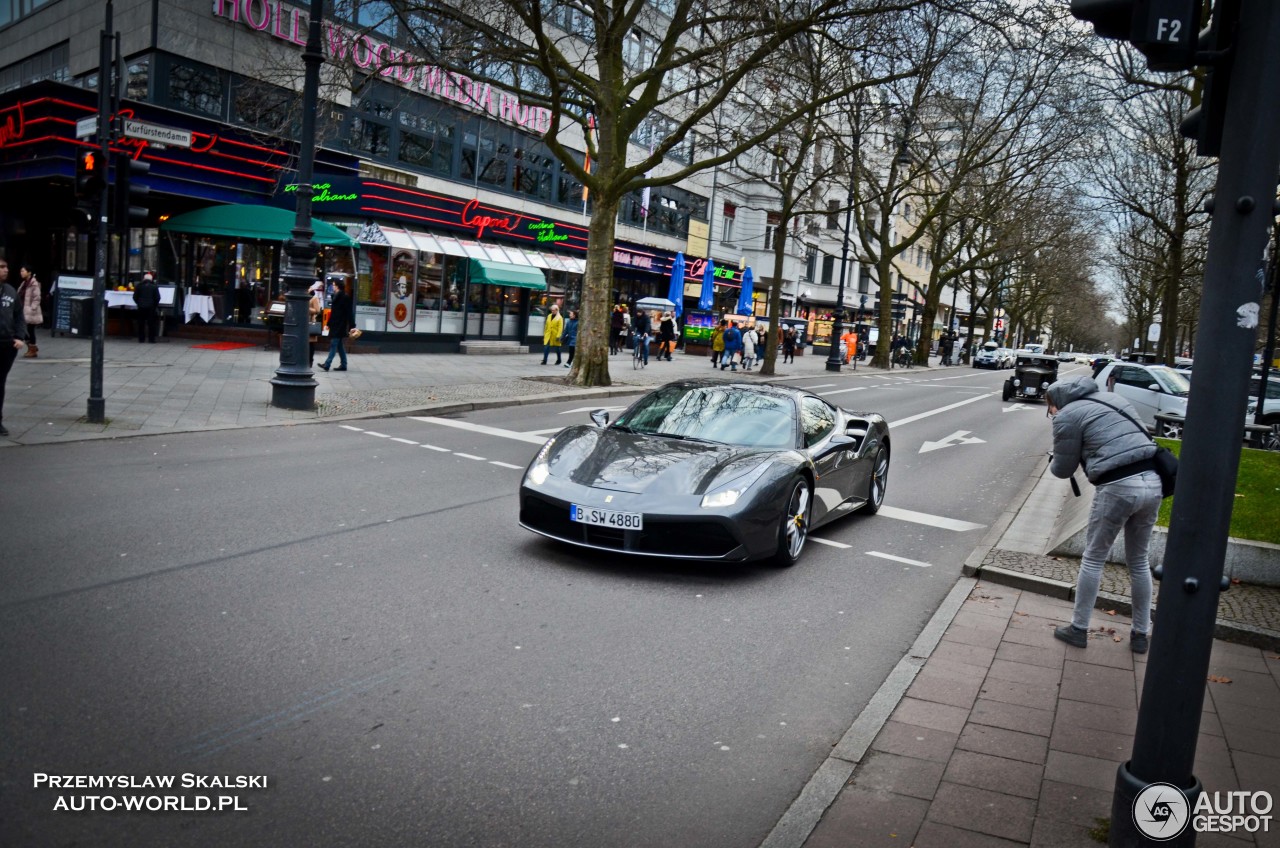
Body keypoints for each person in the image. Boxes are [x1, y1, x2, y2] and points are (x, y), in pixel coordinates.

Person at [1046, 374, 1163, 654]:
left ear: (1056, 402)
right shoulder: (1115, 399)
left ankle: (1078, 628)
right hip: (1153, 480)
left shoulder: (1068, 415)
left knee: (1094, 557)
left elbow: (1062, 470)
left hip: (1118, 486)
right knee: (1138, 560)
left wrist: (1055, 458)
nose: (1051, 413)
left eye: (1049, 407)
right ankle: (1140, 634)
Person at [0, 259, 25, 437]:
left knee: (0, 383)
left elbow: (19, 315)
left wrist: (19, 337)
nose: (6, 270)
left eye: (6, 267)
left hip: (7, 344)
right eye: (1, 267)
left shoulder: (10, 291)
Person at [319, 279, 355, 372]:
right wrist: (328, 323)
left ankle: (327, 364)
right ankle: (344, 364)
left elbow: (349, 313)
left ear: (338, 286)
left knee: (334, 344)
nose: (333, 287)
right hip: (335, 324)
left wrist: (352, 326)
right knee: (339, 346)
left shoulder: (345, 297)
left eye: (334, 285)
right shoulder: (335, 297)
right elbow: (333, 312)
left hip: (340, 324)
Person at [17, 264, 41, 357]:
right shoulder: (24, 283)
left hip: (30, 312)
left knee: (29, 330)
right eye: (21, 271)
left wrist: (32, 309)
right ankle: (32, 347)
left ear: (29, 272)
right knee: (25, 330)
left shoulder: (34, 284)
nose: (21, 273)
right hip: (23, 311)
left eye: (23, 271)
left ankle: (33, 350)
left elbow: (37, 298)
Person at [132, 271, 161, 344]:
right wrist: (154, 305)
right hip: (151, 307)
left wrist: (138, 303)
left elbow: (135, 297)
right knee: (151, 323)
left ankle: (141, 339)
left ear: (144, 279)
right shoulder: (154, 287)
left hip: (141, 307)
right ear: (151, 279)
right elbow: (157, 297)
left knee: (141, 323)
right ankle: (151, 339)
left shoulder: (139, 286)